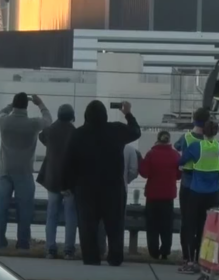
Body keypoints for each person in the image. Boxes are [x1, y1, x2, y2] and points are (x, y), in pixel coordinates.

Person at [62, 100, 141, 266]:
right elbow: (135, 132)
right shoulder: (116, 130)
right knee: (115, 225)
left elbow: (69, 162)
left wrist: (68, 185)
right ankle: (115, 257)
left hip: (85, 189)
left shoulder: (78, 134)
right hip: (113, 187)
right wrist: (127, 113)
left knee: (87, 226)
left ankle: (91, 258)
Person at [0, 93, 53, 250]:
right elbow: (48, 121)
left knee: (1, 208)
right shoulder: (32, 124)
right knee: (25, 209)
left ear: (15, 105)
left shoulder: (4, 121)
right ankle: (23, 242)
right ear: (26, 106)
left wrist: (10, 106)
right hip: (24, 172)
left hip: (5, 171)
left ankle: (0, 240)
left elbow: (2, 112)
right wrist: (41, 104)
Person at [178, 120, 219, 274]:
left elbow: (181, 161)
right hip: (214, 193)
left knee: (191, 226)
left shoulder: (196, 146)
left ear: (203, 132)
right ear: (216, 132)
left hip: (196, 192)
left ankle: (190, 262)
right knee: (208, 229)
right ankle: (205, 261)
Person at [36, 104, 77, 259]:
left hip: (52, 180)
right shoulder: (75, 133)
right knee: (70, 215)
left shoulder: (50, 131)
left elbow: (42, 136)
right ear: (72, 116)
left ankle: (50, 248)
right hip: (70, 182)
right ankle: (68, 250)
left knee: (51, 214)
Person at [173, 108, 210, 268]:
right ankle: (199, 256)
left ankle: (187, 257)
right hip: (206, 187)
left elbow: (177, 146)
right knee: (202, 223)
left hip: (188, 185)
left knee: (187, 222)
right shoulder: (211, 141)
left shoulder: (186, 137)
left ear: (194, 119)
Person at [139, 130, 181, 260]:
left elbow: (145, 173)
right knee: (166, 226)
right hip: (168, 196)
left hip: (152, 196)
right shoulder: (175, 155)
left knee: (152, 226)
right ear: (169, 141)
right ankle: (165, 251)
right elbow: (179, 175)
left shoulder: (151, 154)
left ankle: (154, 252)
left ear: (157, 139)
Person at [97, 142, 140, 258]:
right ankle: (115, 251)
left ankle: (100, 249)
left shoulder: (102, 146)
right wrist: (126, 180)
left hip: (101, 188)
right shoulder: (130, 149)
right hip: (120, 190)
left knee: (100, 221)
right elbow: (133, 170)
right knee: (118, 222)